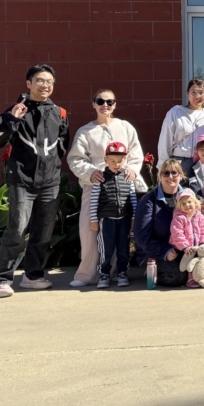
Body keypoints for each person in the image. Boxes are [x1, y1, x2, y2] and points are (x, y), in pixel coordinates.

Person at [0, 64, 69, 298]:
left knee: (43, 233)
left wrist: (52, 167)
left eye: (49, 81)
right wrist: (11, 120)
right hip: (22, 181)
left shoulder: (60, 113)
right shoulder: (16, 110)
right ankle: (0, 280)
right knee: (17, 229)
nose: (45, 85)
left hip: (50, 182)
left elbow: (63, 144)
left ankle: (32, 276)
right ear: (29, 83)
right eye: (40, 80)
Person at [66, 88, 146, 288]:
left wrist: (132, 170)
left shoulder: (125, 127)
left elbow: (136, 153)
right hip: (95, 186)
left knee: (120, 232)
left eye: (110, 102)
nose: (105, 105)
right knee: (89, 229)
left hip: (121, 187)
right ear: (93, 104)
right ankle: (87, 275)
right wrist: (90, 172)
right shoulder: (85, 131)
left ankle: (116, 273)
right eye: (100, 101)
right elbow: (75, 158)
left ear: (115, 104)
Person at [90, 142, 137, 289]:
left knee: (123, 248)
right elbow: (94, 200)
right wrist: (93, 220)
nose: (117, 165)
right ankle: (104, 274)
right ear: (105, 160)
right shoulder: (100, 178)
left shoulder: (128, 177)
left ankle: (122, 273)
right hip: (107, 220)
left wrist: (134, 217)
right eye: (112, 161)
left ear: (125, 159)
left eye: (120, 161)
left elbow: (133, 198)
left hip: (124, 219)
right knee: (106, 249)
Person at [133, 159, 187, 287]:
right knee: (177, 277)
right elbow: (141, 237)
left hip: (183, 250)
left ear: (181, 176)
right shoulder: (148, 200)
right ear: (159, 176)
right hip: (154, 252)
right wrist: (165, 251)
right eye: (166, 173)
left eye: (174, 173)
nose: (170, 177)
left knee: (200, 270)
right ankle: (150, 272)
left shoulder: (188, 197)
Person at [157, 78, 204, 173]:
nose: (197, 96)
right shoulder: (175, 112)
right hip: (179, 162)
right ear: (187, 93)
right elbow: (165, 140)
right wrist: (162, 166)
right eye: (193, 92)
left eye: (201, 92)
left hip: (201, 162)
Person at [169, 189, 204, 288]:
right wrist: (185, 246)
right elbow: (177, 234)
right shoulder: (178, 218)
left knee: (199, 261)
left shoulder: (199, 216)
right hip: (182, 248)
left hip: (196, 246)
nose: (187, 205)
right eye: (183, 204)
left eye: (189, 202)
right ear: (179, 206)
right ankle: (190, 278)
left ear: (195, 202)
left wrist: (203, 243)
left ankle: (202, 275)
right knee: (188, 263)